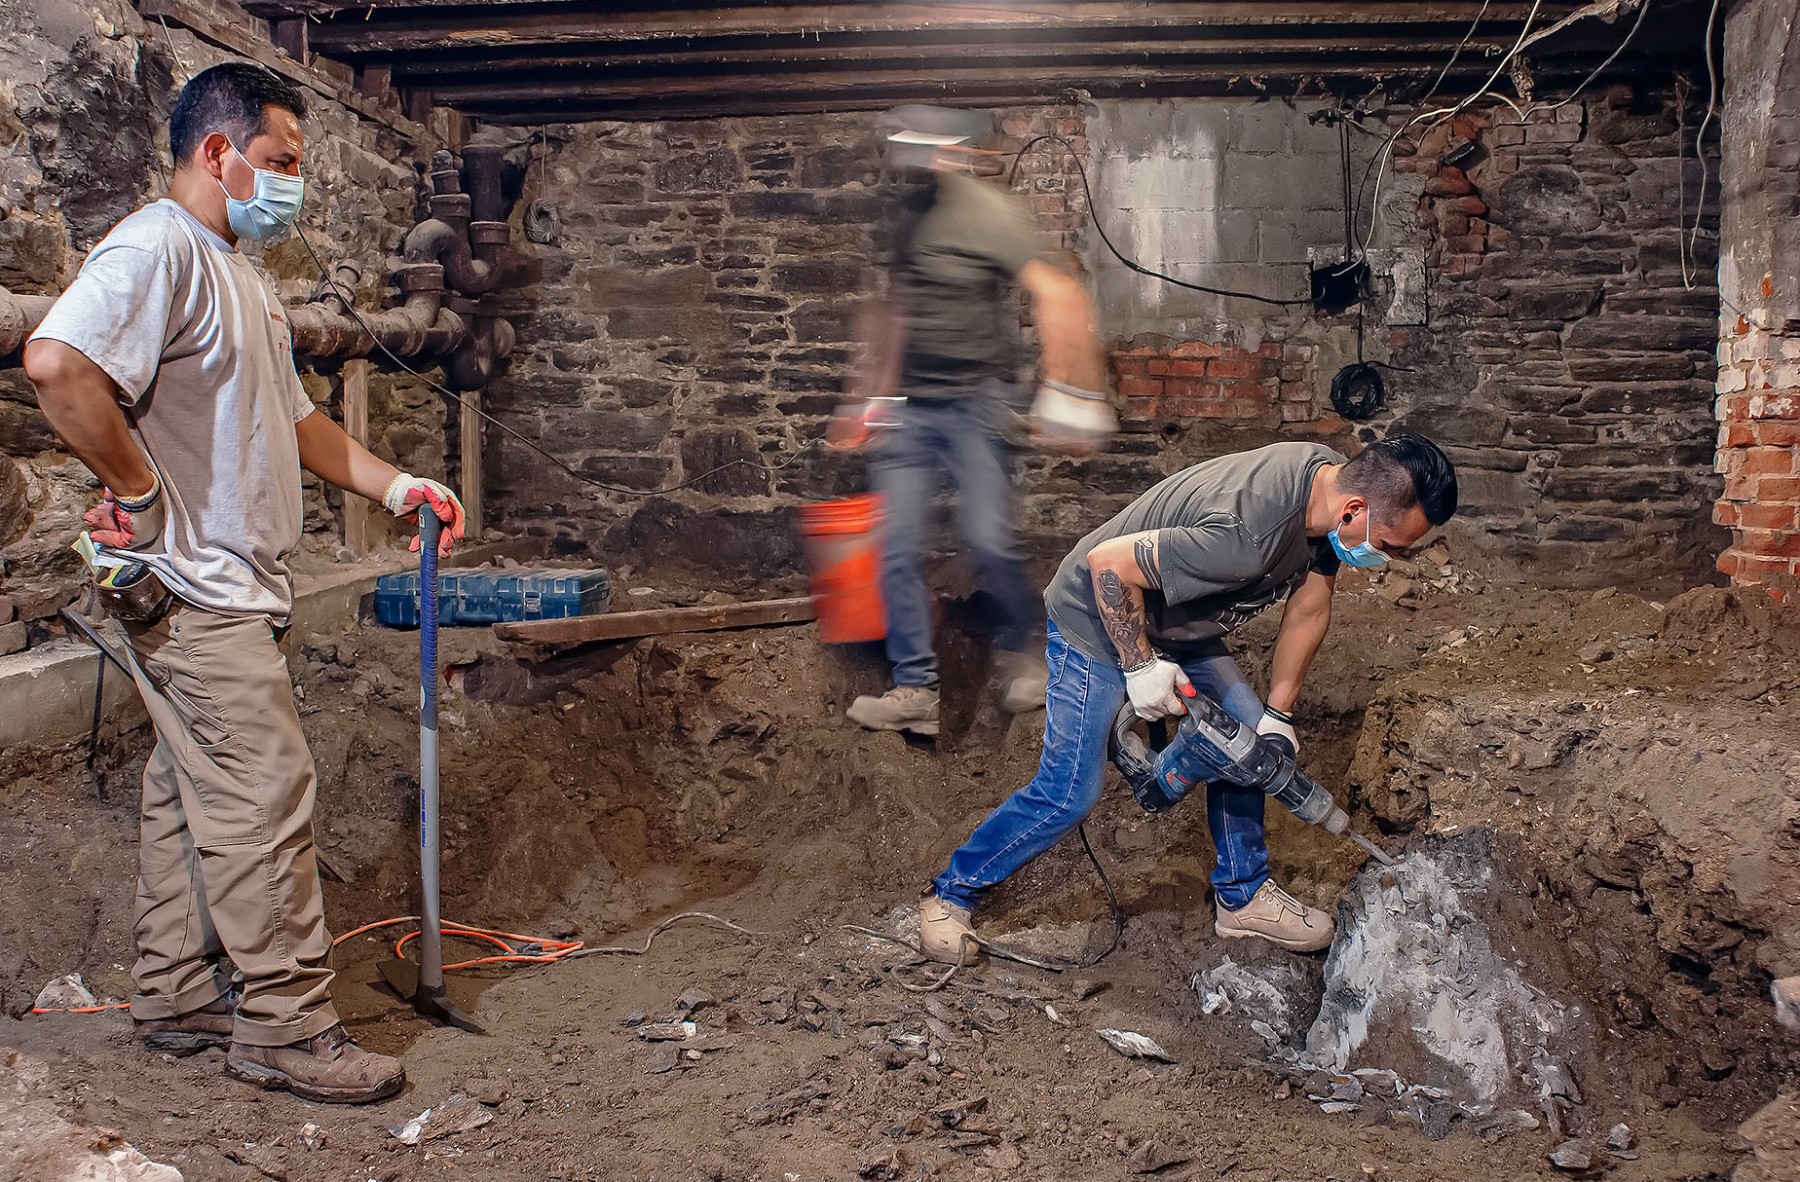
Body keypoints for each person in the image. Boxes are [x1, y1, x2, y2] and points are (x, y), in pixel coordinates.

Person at [23, 62, 465, 1105]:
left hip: (233, 582)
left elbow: (295, 420)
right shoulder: (158, 248)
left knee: (191, 791)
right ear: (218, 152)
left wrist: (397, 483)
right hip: (194, 588)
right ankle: (286, 1027)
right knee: (265, 792)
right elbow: (56, 364)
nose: (291, 185)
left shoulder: (242, 276)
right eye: (280, 161)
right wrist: (138, 491)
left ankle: (177, 993)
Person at [917, 435, 1458, 959]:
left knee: (1250, 746)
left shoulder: (1329, 486)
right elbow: (1108, 564)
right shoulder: (1248, 533)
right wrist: (1141, 666)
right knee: (1069, 792)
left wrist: (1278, 714)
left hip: (1178, 623)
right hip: (1096, 618)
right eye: (1388, 546)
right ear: (1355, 510)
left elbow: (1310, 605)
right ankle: (951, 893)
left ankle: (1242, 897)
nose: (1388, 559)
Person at [839, 105, 1116, 737]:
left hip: (976, 403)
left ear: (950, 152)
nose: (914, 162)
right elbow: (894, 308)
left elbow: (1057, 292)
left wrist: (1072, 395)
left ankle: (1028, 657)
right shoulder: (907, 216)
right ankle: (915, 689)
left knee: (989, 540)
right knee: (895, 547)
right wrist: (867, 398)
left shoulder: (989, 213)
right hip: (911, 409)